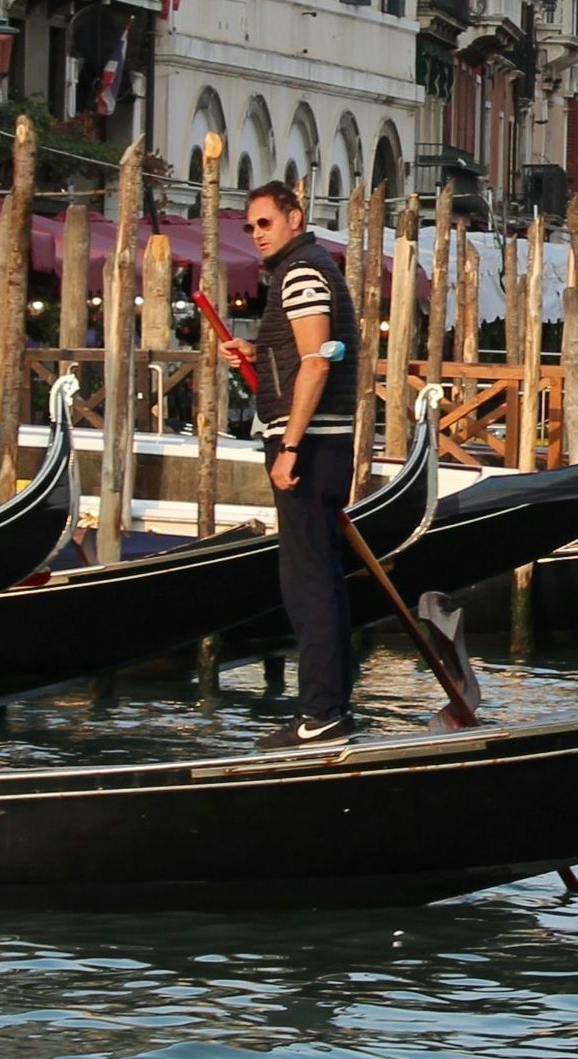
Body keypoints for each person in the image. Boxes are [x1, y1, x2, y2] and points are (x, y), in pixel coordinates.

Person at [223, 178, 358, 749]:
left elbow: (318, 364)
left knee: (306, 581)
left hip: (311, 445)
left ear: (295, 218)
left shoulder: (302, 273)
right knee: (321, 575)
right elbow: (309, 354)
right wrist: (257, 355)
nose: (256, 235)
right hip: (319, 440)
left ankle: (320, 713)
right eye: (250, 226)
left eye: (265, 223)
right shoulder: (303, 270)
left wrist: (291, 447)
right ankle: (332, 706)